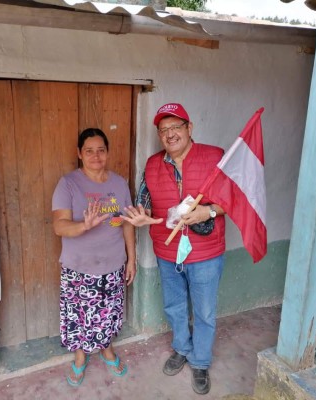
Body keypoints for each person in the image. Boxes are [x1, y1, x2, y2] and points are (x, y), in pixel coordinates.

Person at [121, 103, 226, 395]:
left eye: (176, 127)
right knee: (175, 306)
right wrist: (142, 215)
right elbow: (145, 200)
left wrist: (209, 212)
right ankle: (181, 347)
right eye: (163, 130)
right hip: (167, 252)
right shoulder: (154, 164)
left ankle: (201, 362)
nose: (170, 134)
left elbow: (232, 199)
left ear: (189, 129)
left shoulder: (215, 157)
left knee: (204, 311)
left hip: (206, 251)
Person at [52, 128, 136, 387]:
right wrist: (84, 226)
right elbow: (60, 226)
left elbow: (127, 223)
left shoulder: (119, 184)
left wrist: (131, 258)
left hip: (112, 264)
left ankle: (106, 348)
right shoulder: (68, 184)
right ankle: (80, 357)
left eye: (101, 150)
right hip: (79, 266)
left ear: (107, 152)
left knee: (108, 312)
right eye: (89, 151)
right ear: (80, 154)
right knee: (79, 314)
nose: (96, 156)